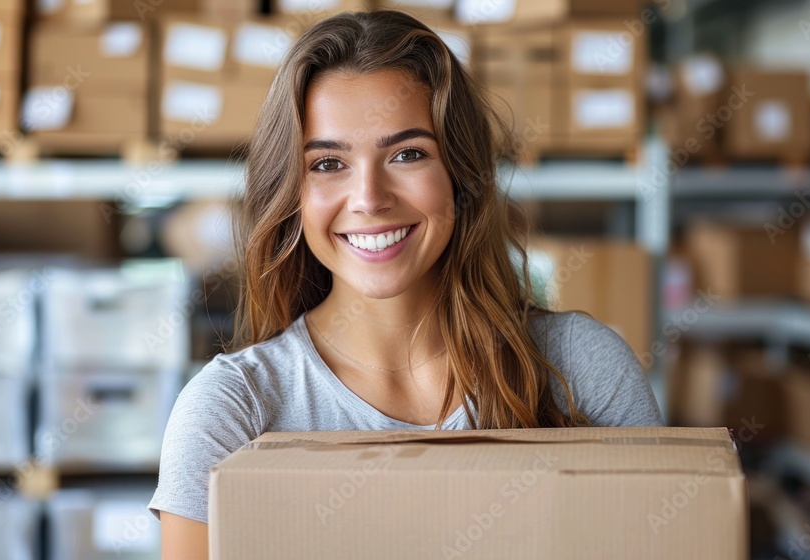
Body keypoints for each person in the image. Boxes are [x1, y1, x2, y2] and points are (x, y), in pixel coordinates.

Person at [149, 9, 664, 558]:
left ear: (461, 178)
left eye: (408, 154)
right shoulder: (231, 412)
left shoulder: (582, 371)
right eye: (327, 163)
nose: (369, 198)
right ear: (291, 193)